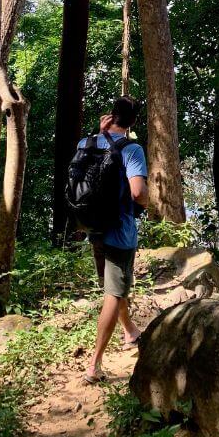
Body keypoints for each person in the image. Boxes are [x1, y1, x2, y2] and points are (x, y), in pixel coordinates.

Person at [80, 95, 148, 384]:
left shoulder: (87, 142)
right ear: (133, 121)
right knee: (114, 293)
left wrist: (101, 132)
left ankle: (130, 331)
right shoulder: (132, 148)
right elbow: (137, 193)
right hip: (119, 231)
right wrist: (147, 200)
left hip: (91, 225)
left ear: (111, 115)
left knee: (113, 286)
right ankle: (94, 366)